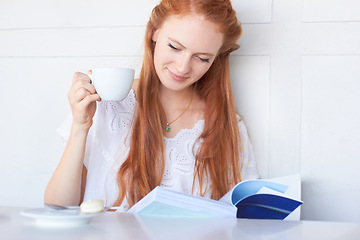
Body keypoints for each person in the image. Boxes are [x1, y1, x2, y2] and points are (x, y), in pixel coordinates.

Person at [44, 0, 259, 211]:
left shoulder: (228, 127)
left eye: (202, 58)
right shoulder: (103, 105)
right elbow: (58, 208)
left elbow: (243, 219)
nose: (183, 67)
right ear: (154, 33)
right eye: (175, 47)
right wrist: (80, 127)